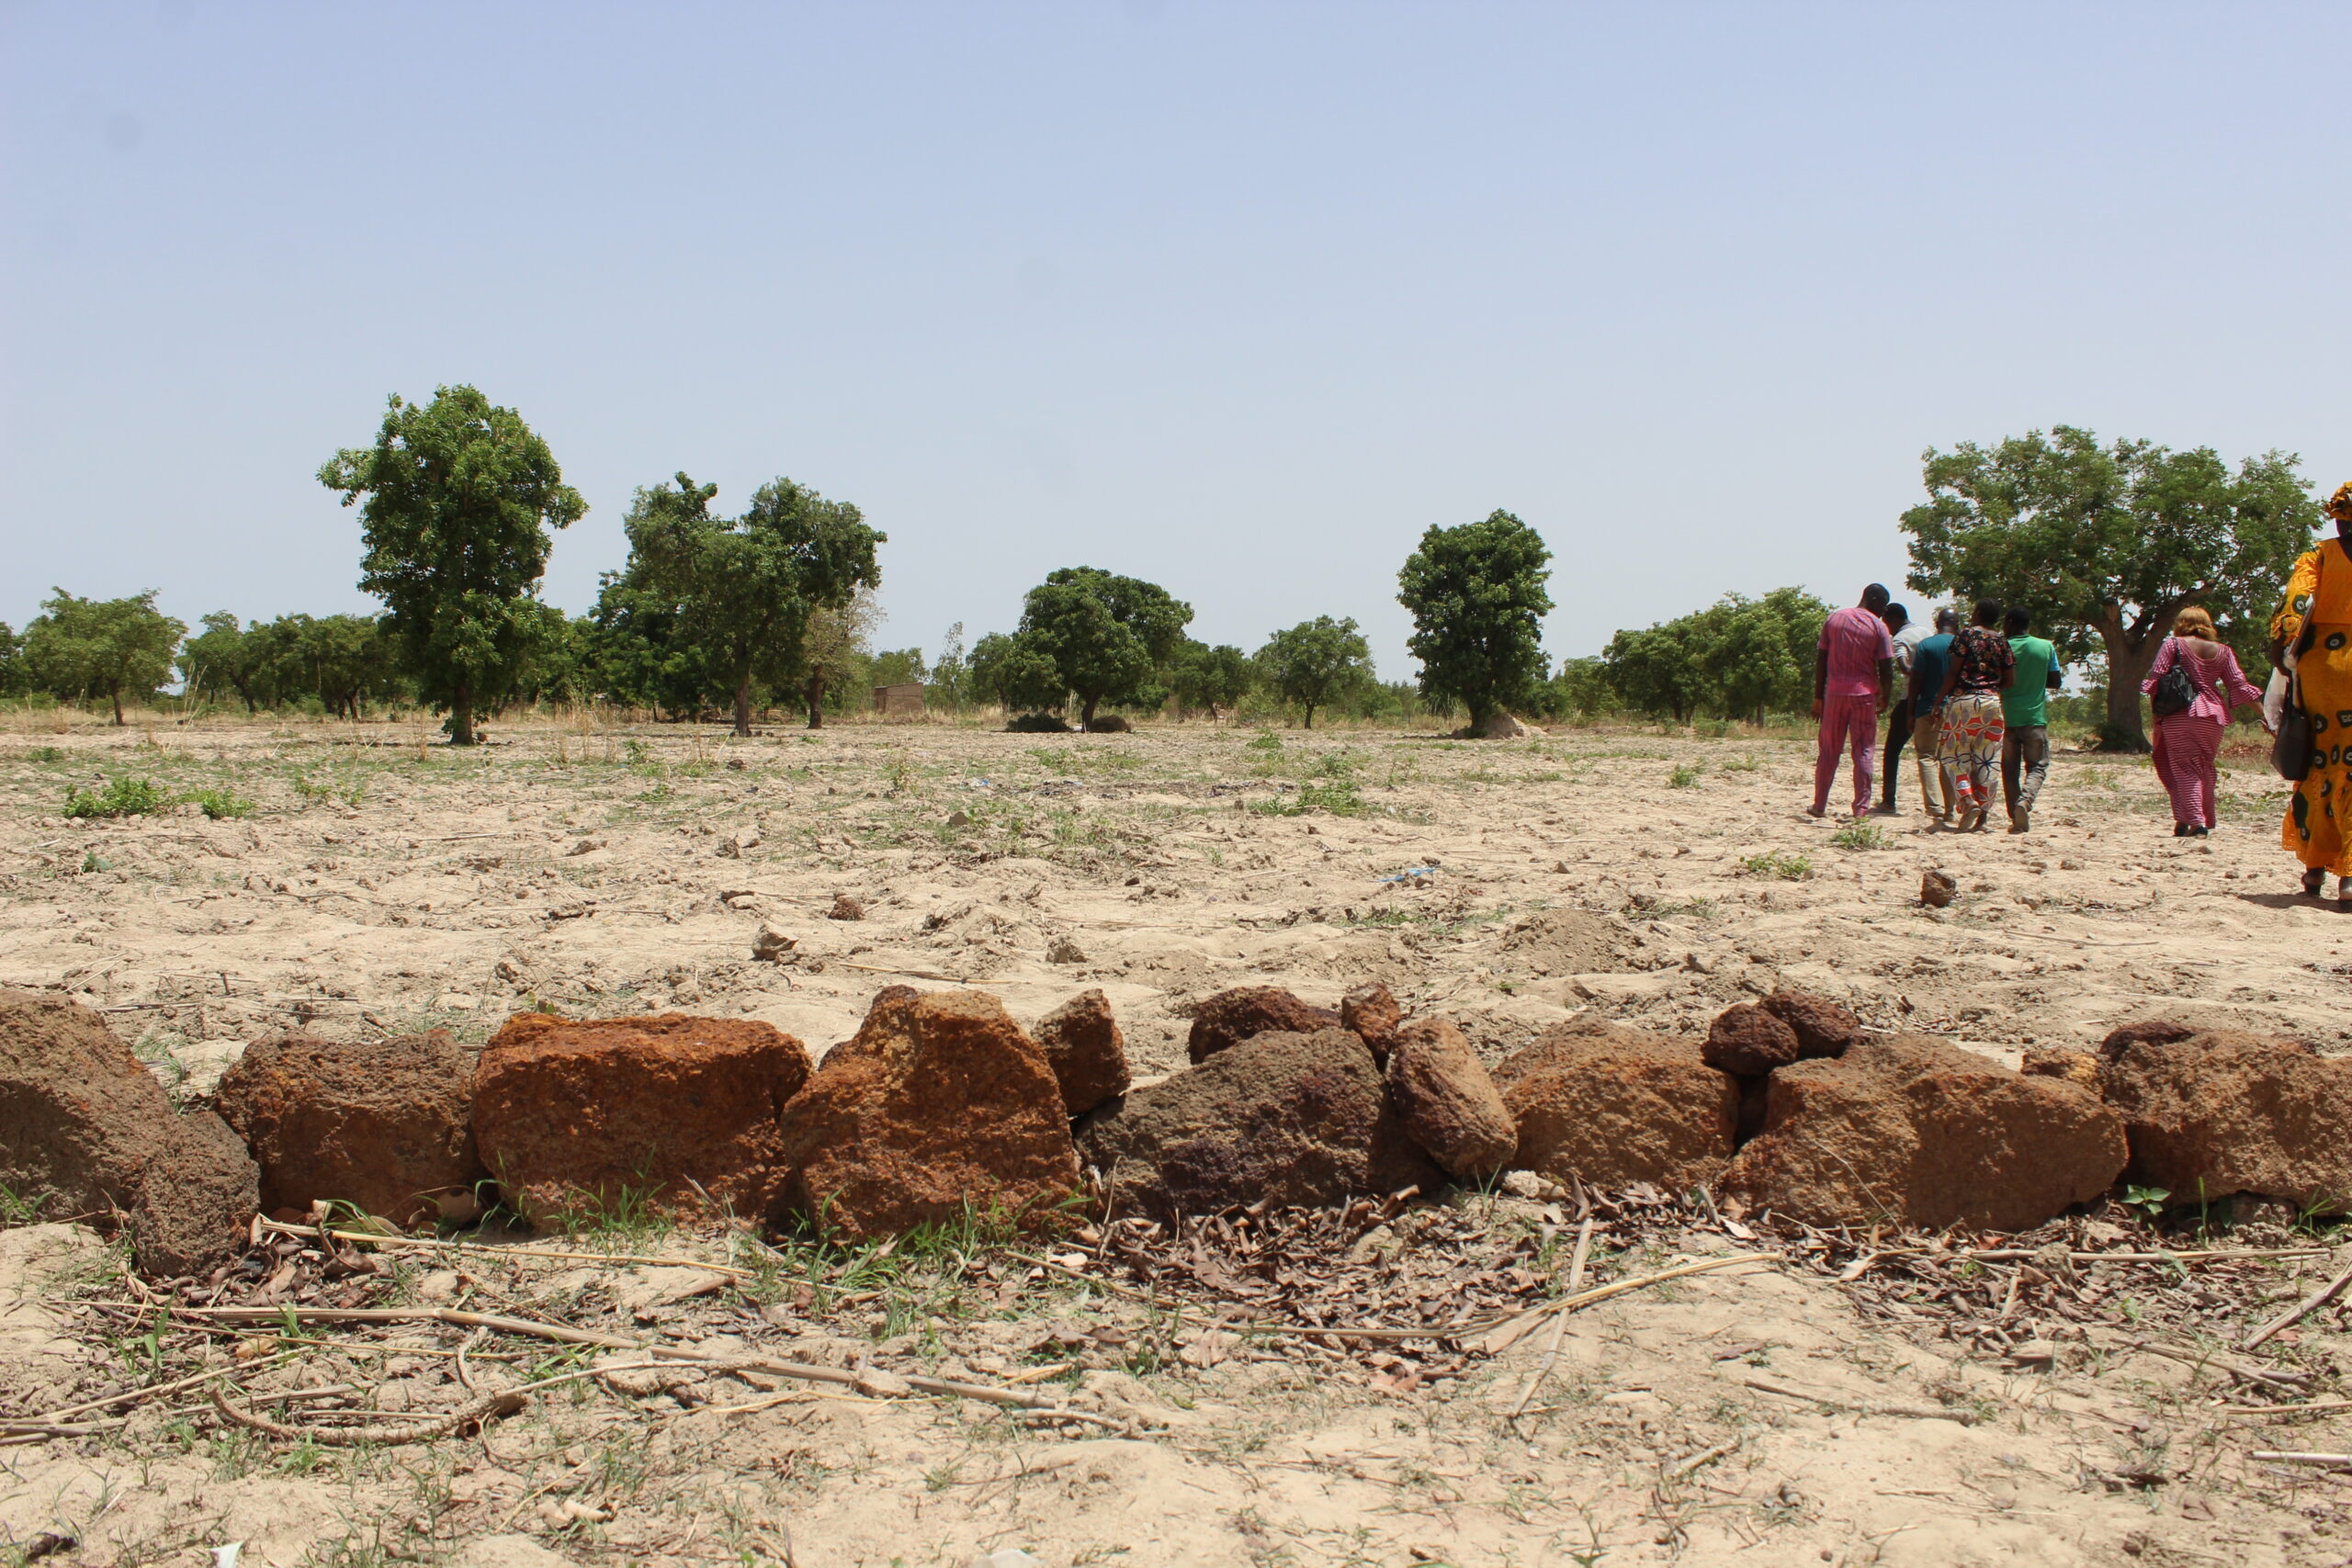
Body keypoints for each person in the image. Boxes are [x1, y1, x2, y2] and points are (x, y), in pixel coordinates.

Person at [2268, 482, 2352, 899]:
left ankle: (2315, 869)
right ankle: (2351, 875)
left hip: (2323, 663)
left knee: (2320, 760)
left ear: (2339, 518)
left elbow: (2296, 603)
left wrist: (2286, 647)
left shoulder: (2318, 555)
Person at [2140, 607, 2263, 837]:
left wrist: (2156, 714)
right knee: (2203, 767)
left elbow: (2157, 678)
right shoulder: (2224, 651)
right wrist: (2266, 715)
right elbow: (2239, 685)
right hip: (2213, 715)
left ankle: (2197, 822)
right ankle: (2183, 819)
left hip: (2180, 713)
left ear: (2181, 623)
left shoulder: (2173, 644)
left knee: (2182, 767)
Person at [1811, 584, 1897, 819]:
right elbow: (1886, 666)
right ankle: (1861, 808)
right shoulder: (1878, 626)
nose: (1884, 610)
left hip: (1835, 695)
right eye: (1883, 604)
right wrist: (1885, 696)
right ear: (1874, 599)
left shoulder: (1835, 618)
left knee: (1828, 751)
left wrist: (1819, 696)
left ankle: (1819, 805)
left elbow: (1822, 659)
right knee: (1864, 751)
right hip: (1864, 695)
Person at [1937, 599, 2015, 832]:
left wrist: (1939, 698)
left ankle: (1966, 799)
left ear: (1978, 613)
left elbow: (1953, 670)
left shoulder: (1966, 635)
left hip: (1964, 700)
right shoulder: (2002, 641)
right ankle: (1984, 815)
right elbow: (2010, 680)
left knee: (1951, 755)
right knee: (1987, 760)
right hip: (1992, 702)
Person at [2000, 607, 2063, 833]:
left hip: (2007, 718)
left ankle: (2014, 813)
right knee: (2037, 766)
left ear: (2009, 623)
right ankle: (2024, 802)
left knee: (2009, 769)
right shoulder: (2045, 646)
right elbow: (2056, 681)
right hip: (2035, 718)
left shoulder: (2002, 647)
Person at [1905, 608, 1959, 823]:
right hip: (1956, 711)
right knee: (1949, 759)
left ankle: (1934, 806)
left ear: (1937, 623)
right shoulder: (1964, 647)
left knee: (1927, 757)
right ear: (1957, 624)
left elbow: (1916, 680)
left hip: (1928, 707)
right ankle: (1950, 809)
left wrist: (1910, 711)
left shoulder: (1927, 645)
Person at [1876, 603, 1924, 815]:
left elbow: (1904, 667)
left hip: (1910, 700)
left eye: (1887, 622)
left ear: (1894, 619)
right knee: (1933, 753)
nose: (1886, 627)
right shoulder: (1926, 631)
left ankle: (1889, 800)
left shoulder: (1899, 639)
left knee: (1892, 750)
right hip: (1934, 700)